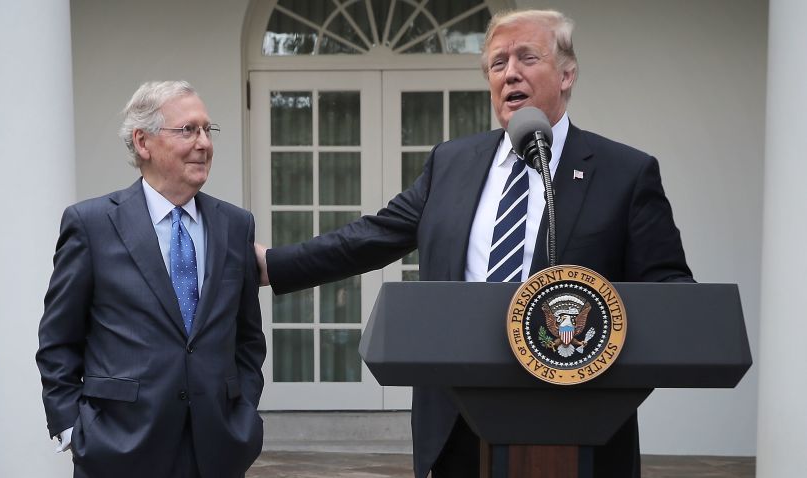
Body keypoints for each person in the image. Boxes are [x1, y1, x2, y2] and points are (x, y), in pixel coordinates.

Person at [257, 9, 692, 478]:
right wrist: (273, 265)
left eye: (528, 57)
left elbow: (669, 290)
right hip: (458, 419)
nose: (510, 73)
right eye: (498, 63)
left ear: (567, 75)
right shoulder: (452, 162)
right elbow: (372, 235)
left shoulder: (624, 173)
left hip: (578, 418)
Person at [36, 81, 266, 478]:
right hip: (118, 451)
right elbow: (58, 341)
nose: (203, 143)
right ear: (143, 142)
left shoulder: (235, 225)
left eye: (207, 130)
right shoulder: (91, 225)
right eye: (188, 130)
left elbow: (247, 338)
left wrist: (244, 415)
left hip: (217, 450)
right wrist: (73, 430)